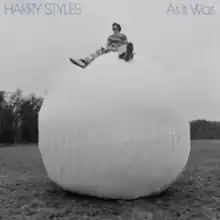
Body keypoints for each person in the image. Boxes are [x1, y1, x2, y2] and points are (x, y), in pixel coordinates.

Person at [70, 22, 134, 68]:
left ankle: (126, 56)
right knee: (100, 50)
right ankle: (85, 61)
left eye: (115, 28)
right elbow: (108, 44)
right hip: (111, 49)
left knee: (124, 47)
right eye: (113, 28)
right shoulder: (110, 37)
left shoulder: (123, 35)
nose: (114, 30)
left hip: (119, 48)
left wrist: (121, 48)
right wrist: (109, 48)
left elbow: (125, 43)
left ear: (118, 28)